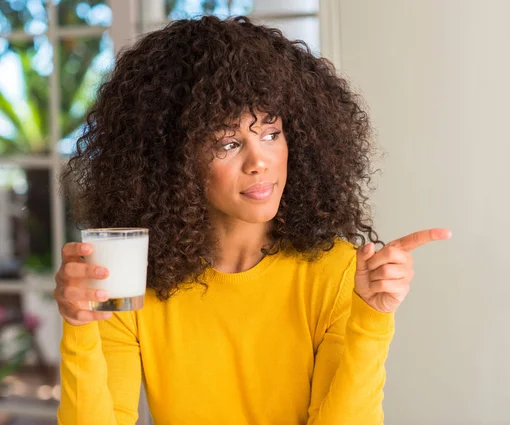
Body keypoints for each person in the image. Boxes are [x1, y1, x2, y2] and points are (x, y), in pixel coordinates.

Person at [54, 15, 451, 424]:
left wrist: (371, 319)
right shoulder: (133, 277)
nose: (259, 162)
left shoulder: (338, 273)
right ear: (174, 160)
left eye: (271, 134)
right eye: (228, 143)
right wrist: (79, 324)